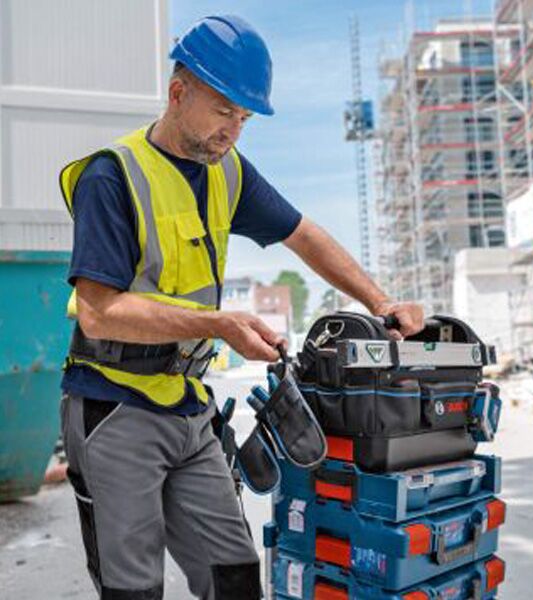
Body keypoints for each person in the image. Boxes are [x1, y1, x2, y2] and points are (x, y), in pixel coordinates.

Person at [59, 14, 424, 600]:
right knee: (134, 589)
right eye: (224, 111)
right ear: (178, 93)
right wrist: (219, 325)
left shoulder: (226, 172)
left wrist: (381, 302)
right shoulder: (111, 176)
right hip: (114, 407)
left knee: (234, 576)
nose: (233, 131)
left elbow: (304, 235)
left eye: (245, 119)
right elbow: (99, 311)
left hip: (188, 408)